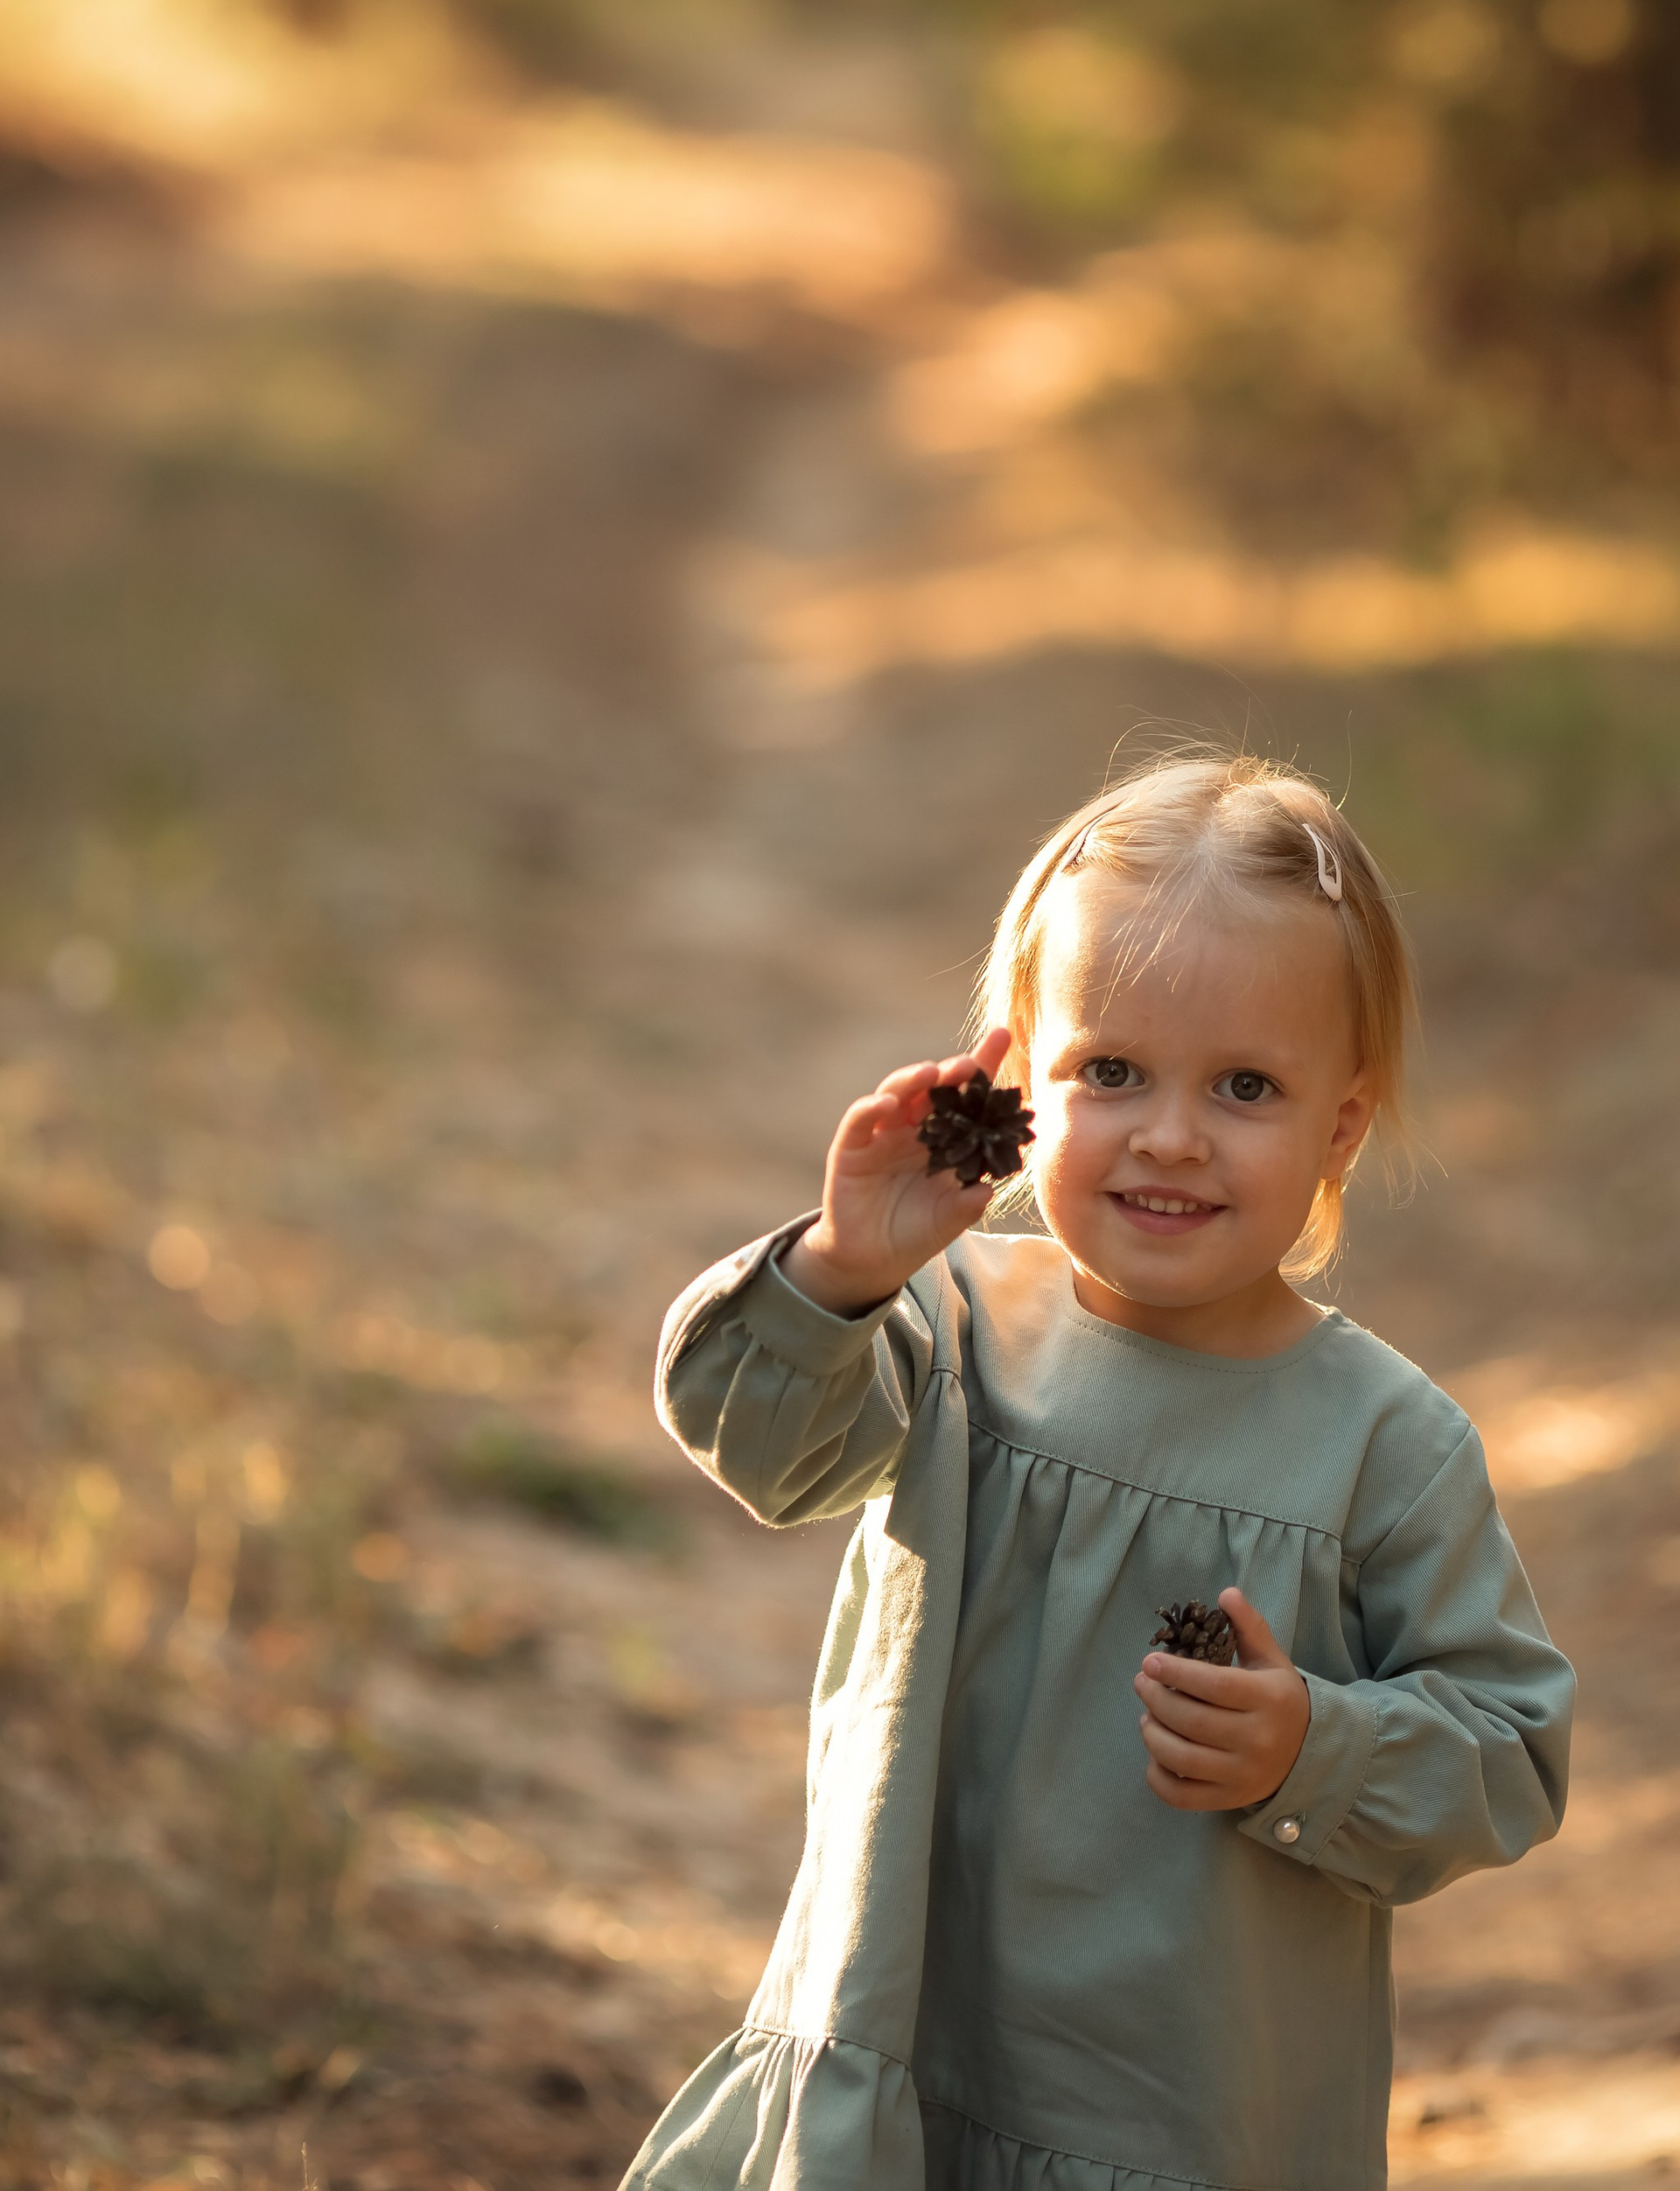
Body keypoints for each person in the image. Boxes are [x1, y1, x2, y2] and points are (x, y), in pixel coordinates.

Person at [623, 752, 1574, 2191]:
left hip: (1180, 2111)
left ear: (1339, 1128)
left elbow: (1508, 1748)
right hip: (906, 2047)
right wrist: (840, 1271)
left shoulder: (1384, 1444)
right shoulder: (948, 1334)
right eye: (1110, 1071)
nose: (1169, 1134)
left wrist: (1313, 1745)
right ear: (1014, 1084)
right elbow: (758, 1446)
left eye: (1244, 1085)